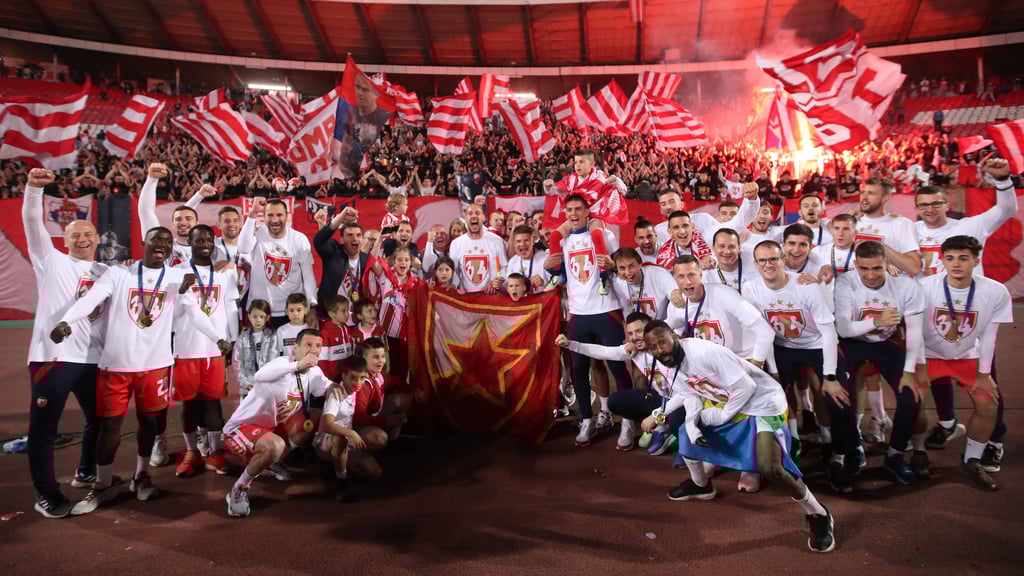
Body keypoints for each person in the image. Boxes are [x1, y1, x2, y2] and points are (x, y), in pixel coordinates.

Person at [51, 226, 228, 516]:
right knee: (109, 427)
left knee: (149, 425)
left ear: (172, 249)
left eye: (168, 241)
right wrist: (67, 321)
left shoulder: (175, 278)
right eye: (156, 239)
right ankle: (104, 482)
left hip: (155, 366)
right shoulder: (119, 274)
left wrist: (216, 336)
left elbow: (194, 311)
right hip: (116, 365)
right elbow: (90, 299)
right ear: (143, 242)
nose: (162, 244)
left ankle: (141, 476)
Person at [642, 322, 836, 554]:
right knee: (686, 431)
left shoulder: (703, 352)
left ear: (674, 336)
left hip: (762, 403)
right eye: (652, 347)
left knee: (771, 468)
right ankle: (700, 485)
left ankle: (818, 513)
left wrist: (722, 416)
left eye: (661, 342)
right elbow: (688, 392)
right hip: (730, 403)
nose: (659, 350)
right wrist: (660, 414)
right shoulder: (668, 362)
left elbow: (746, 386)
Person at [914, 159, 1017, 466]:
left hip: (970, 317)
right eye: (923, 204)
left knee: (986, 380)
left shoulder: (969, 226)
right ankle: (947, 424)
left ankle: (994, 438)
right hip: (930, 313)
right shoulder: (908, 229)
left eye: (935, 203)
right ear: (916, 208)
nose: (930, 209)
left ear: (948, 203)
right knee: (936, 376)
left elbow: (1006, 210)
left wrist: (1002, 181)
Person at [22, 168, 107, 518]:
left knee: (100, 420)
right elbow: (31, 222)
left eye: (88, 233)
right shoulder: (51, 261)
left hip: (92, 360)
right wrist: (32, 190)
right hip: (52, 359)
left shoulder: (106, 272)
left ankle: (86, 470)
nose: (83, 239)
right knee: (44, 429)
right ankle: (46, 494)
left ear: (98, 238)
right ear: (65, 240)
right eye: (75, 235)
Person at [744, 241, 860, 493]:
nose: (768, 265)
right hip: (783, 349)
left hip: (817, 345)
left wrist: (830, 376)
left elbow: (829, 334)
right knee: (766, 398)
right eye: (762, 261)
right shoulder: (750, 289)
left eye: (773, 259)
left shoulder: (805, 286)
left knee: (837, 397)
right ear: (755, 265)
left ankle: (839, 456)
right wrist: (773, 373)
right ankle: (781, 452)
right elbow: (762, 333)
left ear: (783, 260)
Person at [915, 236, 1013, 491]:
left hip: (968, 357)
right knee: (912, 402)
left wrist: (984, 374)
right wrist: (919, 365)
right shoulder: (924, 287)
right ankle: (917, 451)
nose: (956, 264)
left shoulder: (995, 291)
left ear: (976, 261)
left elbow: (990, 336)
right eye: (950, 258)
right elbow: (913, 333)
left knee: (988, 402)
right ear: (942, 260)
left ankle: (972, 460)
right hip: (929, 356)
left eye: (963, 258)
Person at [834, 241, 927, 485]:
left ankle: (895, 455)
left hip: (888, 344)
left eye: (877, 268)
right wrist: (877, 321)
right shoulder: (845, 282)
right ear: (855, 266)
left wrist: (909, 371)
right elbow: (843, 329)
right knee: (839, 396)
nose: (871, 275)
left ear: (887, 264)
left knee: (910, 397)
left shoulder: (906, 286)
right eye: (864, 269)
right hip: (853, 344)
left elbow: (915, 331)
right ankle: (854, 447)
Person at [543, 194, 631, 446]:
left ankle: (626, 420)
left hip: (606, 310)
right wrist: (549, 268)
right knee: (579, 369)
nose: (573, 213)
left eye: (578, 209)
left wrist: (613, 265)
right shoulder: (562, 240)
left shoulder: (605, 234)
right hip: (578, 314)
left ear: (586, 211)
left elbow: (619, 267)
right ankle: (586, 418)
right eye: (569, 209)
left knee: (617, 366)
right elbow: (559, 278)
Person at [223, 329, 331, 517]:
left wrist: (343, 386)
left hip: (273, 428)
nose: (313, 350)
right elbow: (259, 375)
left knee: (315, 416)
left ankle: (274, 462)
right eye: (308, 345)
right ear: (295, 348)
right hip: (242, 428)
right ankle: (238, 489)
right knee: (275, 445)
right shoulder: (283, 363)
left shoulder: (314, 372)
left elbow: (328, 387)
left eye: (318, 346)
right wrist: (298, 364)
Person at [555, 312, 681, 453]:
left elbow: (686, 394)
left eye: (639, 331)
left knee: (678, 419)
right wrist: (571, 344)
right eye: (631, 333)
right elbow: (603, 352)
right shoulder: (634, 350)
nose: (634, 337)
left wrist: (657, 415)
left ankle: (685, 443)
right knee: (616, 401)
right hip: (663, 400)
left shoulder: (670, 349)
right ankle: (663, 427)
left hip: (683, 401)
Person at [172, 225, 239, 478]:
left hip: (215, 349)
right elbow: (174, 314)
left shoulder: (223, 271)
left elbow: (230, 306)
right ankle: (192, 452)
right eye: (198, 239)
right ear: (189, 241)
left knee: (214, 402)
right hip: (187, 348)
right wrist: (179, 292)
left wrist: (231, 339)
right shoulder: (177, 272)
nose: (204, 243)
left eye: (208, 239)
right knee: (189, 405)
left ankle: (215, 452)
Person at [543, 149, 627, 294]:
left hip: (595, 215)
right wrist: (547, 185)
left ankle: (603, 276)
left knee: (596, 235)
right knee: (554, 236)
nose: (577, 165)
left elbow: (623, 190)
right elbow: (554, 191)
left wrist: (616, 180)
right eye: (575, 162)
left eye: (581, 162)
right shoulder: (572, 179)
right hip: (578, 216)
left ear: (592, 164)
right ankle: (557, 274)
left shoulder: (600, 177)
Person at [238, 197, 318, 328]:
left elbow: (308, 276)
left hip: (292, 312)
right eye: (270, 215)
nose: (274, 219)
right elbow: (242, 248)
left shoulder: (299, 239)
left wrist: (313, 305)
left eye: (279, 215)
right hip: (260, 312)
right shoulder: (257, 233)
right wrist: (252, 213)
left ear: (287, 216)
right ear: (263, 217)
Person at [351, 338, 412, 478]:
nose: (381, 361)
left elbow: (394, 381)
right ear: (363, 359)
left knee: (405, 398)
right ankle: (351, 457)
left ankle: (391, 444)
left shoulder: (378, 374)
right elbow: (358, 418)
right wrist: (386, 421)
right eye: (375, 357)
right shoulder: (362, 382)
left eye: (383, 356)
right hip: (352, 428)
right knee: (379, 439)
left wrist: (414, 389)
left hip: (368, 419)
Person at [315, 356, 369, 503]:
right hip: (327, 441)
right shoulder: (336, 393)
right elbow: (327, 425)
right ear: (344, 375)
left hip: (347, 443)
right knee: (340, 439)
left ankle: (335, 467)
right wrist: (351, 433)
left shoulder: (357, 390)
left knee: (373, 473)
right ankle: (341, 481)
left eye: (362, 378)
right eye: (353, 377)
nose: (358, 382)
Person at [138, 163, 208, 267]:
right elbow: (146, 212)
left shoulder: (210, 248)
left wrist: (199, 196)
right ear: (172, 224)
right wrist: (152, 180)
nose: (183, 222)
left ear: (197, 223)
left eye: (188, 219)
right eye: (178, 219)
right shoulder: (164, 245)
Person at [855, 177, 922, 277]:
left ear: (885, 198)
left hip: (891, 289)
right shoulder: (850, 223)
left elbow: (914, 268)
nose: (864, 197)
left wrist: (879, 246)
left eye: (871, 193)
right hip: (856, 289)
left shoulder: (901, 224)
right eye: (863, 192)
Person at [313, 208, 368, 316]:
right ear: (341, 239)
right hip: (330, 317)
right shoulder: (333, 253)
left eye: (358, 235)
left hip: (356, 317)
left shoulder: (366, 259)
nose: (355, 238)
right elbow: (319, 241)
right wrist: (341, 217)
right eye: (350, 235)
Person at [449, 203, 507, 294]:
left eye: (477, 213)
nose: (474, 216)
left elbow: (502, 267)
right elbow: (455, 272)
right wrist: (453, 285)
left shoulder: (497, 241)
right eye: (470, 213)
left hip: (491, 296)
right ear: (465, 218)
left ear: (484, 218)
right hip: (466, 298)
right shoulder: (456, 244)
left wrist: (496, 281)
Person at [233, 299, 281, 399]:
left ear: (267, 317)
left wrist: (264, 381)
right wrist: (245, 383)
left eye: (261, 317)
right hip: (248, 388)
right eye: (255, 316)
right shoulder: (243, 337)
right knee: (248, 414)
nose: (258, 320)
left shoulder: (273, 336)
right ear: (249, 316)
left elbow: (273, 361)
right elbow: (237, 362)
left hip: (267, 386)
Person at [610, 247, 675, 320]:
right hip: (634, 329)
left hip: (659, 328)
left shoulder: (659, 274)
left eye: (631, 266)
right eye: (622, 268)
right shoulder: (616, 284)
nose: (627, 273)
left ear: (640, 264)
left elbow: (676, 295)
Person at [318, 295, 356, 382]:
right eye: (343, 311)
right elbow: (322, 359)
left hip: (348, 376)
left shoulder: (347, 328)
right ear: (332, 314)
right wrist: (327, 378)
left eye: (348, 310)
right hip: (332, 378)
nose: (347, 314)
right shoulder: (325, 332)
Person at [703, 229, 753, 293]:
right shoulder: (707, 272)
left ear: (739, 248)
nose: (727, 251)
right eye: (721, 246)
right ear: (713, 248)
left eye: (732, 247)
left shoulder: (754, 261)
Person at [506, 224, 550, 294]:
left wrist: (544, 282)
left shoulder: (545, 258)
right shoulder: (513, 262)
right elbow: (508, 287)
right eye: (518, 241)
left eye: (526, 240)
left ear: (532, 242)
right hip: (522, 303)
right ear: (514, 244)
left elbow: (557, 281)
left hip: (541, 302)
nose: (522, 244)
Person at [276, 293, 312, 360]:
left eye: (299, 310)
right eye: (291, 310)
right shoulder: (281, 330)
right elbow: (279, 353)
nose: (295, 314)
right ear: (286, 311)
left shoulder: (310, 329)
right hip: (287, 368)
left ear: (306, 310)